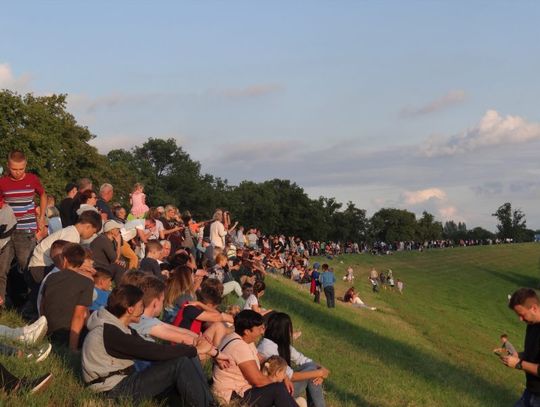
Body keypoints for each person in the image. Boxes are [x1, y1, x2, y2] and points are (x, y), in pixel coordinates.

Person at [82, 284, 216, 405]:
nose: (143, 309)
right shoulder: (111, 333)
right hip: (112, 391)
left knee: (181, 370)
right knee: (180, 362)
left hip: (122, 382)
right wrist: (195, 350)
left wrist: (191, 350)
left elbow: (152, 349)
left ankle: (208, 402)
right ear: (130, 309)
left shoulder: (118, 326)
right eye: (141, 306)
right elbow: (154, 352)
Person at [212, 309, 297, 406]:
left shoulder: (243, 339)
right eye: (259, 328)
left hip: (242, 391)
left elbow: (261, 359)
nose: (262, 332)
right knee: (277, 389)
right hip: (231, 397)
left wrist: (284, 376)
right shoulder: (239, 347)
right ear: (247, 331)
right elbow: (258, 381)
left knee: (279, 386)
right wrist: (278, 379)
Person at [0, 150, 47, 308]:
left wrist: (41, 218)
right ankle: (2, 303)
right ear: (8, 166)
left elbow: (43, 195)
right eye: (14, 169)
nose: (18, 172)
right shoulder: (2, 183)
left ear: (25, 165)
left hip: (26, 231)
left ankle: (32, 303)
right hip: (6, 232)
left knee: (26, 268)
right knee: (2, 269)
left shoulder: (32, 179)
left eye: (21, 169)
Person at [258, 312, 329, 407]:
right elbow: (291, 376)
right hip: (274, 391)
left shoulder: (281, 345)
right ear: (282, 330)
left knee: (311, 368)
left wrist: (321, 369)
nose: (291, 333)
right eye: (289, 329)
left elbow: (304, 360)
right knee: (312, 371)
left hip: (282, 386)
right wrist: (319, 373)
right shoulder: (267, 347)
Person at [40, 243, 94, 350]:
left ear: (64, 259)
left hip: (49, 330)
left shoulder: (51, 277)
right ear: (82, 261)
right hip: (67, 334)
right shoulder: (86, 282)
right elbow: (79, 316)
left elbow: (43, 306)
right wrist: (72, 349)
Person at [502, 288, 540, 406]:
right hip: (530, 392)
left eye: (522, 314)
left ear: (534, 308)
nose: (520, 319)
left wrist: (518, 363)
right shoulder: (532, 324)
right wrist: (517, 355)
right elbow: (534, 353)